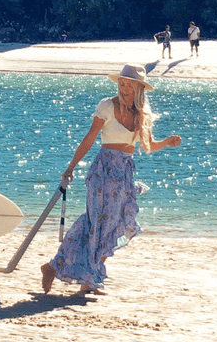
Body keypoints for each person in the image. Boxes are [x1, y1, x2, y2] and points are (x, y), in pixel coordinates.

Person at [40, 64, 182, 296]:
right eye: (121, 83)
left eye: (129, 85)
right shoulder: (107, 106)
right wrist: (71, 167)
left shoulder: (141, 113)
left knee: (116, 224)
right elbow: (89, 138)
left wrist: (166, 142)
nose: (124, 88)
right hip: (103, 170)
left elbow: (147, 146)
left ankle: (87, 278)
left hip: (124, 172)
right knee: (95, 223)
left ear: (139, 88)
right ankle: (57, 268)